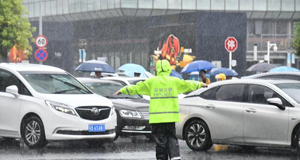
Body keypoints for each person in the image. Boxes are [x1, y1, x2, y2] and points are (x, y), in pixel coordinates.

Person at [114, 60, 207, 160]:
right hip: (170, 118)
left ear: (157, 70)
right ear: (168, 69)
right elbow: (188, 84)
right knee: (172, 138)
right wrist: (200, 84)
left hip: (157, 119)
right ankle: (175, 157)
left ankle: (162, 158)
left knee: (160, 142)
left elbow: (136, 88)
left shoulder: (151, 82)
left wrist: (123, 90)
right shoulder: (174, 81)